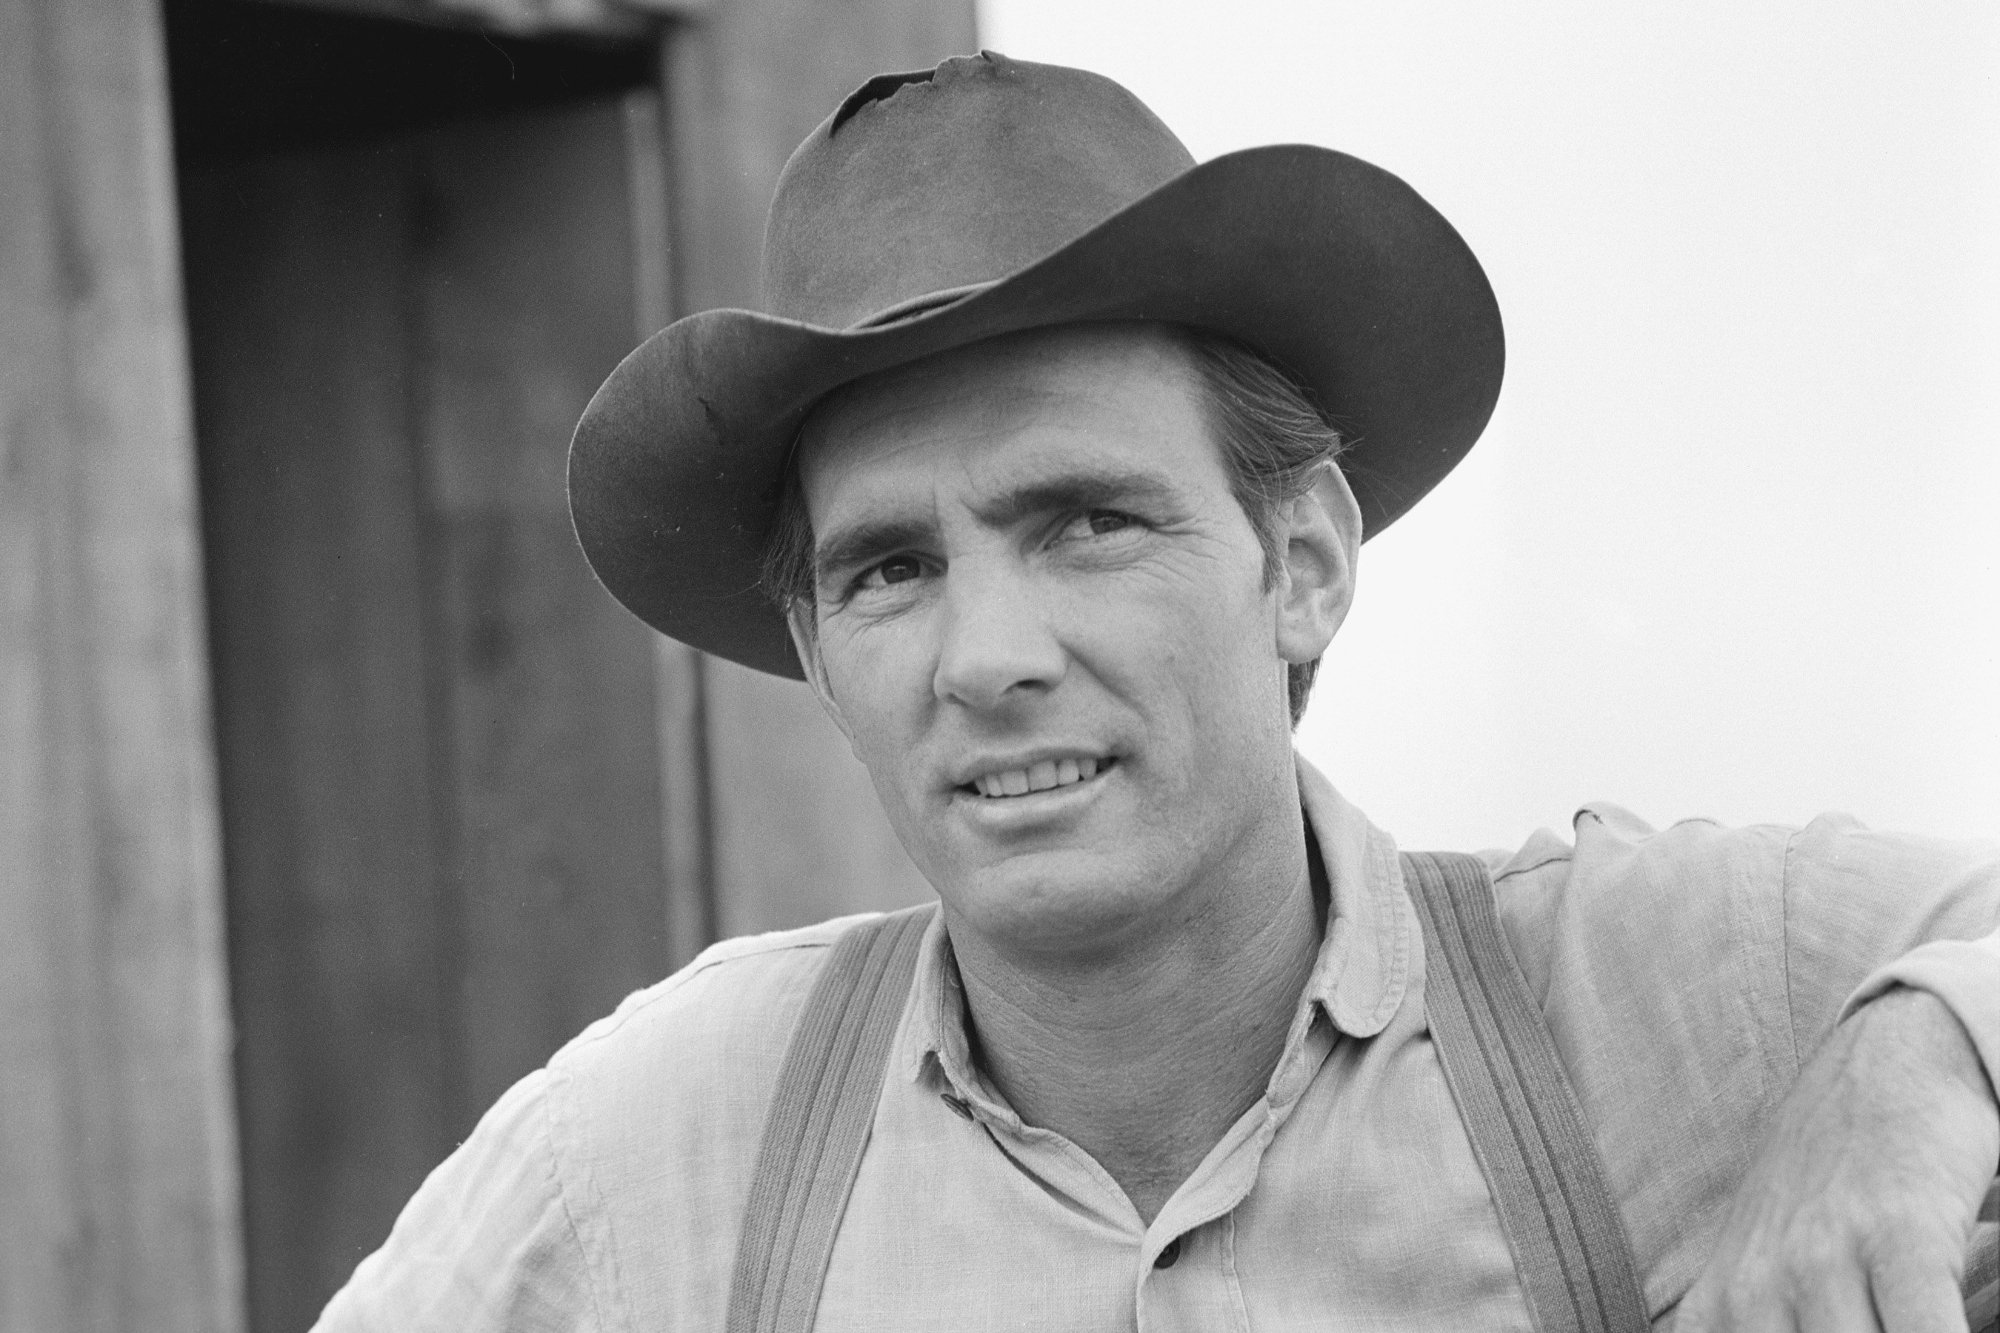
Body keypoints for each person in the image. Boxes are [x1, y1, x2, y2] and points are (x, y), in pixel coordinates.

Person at [315, 53, 1998, 1332]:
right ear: (823, 655)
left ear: (1306, 563)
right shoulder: (668, 1137)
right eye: (891, 569)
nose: (988, 657)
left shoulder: (1667, 992)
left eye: (1088, 521)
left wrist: (1910, 1063)